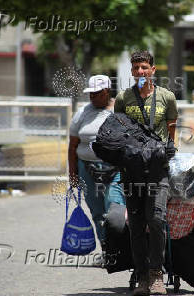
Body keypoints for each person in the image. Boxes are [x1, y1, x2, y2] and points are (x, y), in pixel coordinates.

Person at [114, 50, 178, 295]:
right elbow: (115, 131)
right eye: (136, 68)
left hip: (157, 169)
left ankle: (156, 275)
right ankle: (141, 276)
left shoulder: (167, 97)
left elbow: (171, 124)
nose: (140, 72)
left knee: (156, 219)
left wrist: (170, 147)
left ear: (153, 69)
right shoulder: (123, 98)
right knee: (137, 224)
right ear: (132, 72)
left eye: (144, 67)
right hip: (132, 171)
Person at [68, 75, 125, 265]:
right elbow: (72, 145)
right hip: (87, 168)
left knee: (114, 208)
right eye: (90, 93)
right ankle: (108, 251)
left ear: (107, 92)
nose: (92, 97)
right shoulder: (82, 113)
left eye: (97, 93)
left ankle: (123, 250)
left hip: (114, 168)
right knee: (97, 211)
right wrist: (73, 173)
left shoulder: (120, 110)